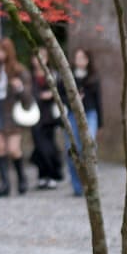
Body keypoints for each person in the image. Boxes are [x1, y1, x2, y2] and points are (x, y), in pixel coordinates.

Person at [65, 48, 101, 197]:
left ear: (88, 60)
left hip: (90, 114)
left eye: (82, 58)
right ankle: (77, 186)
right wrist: (73, 100)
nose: (79, 60)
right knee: (73, 149)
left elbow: (98, 101)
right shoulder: (68, 76)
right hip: (72, 114)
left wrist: (100, 123)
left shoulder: (93, 77)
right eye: (77, 57)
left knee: (89, 146)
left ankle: (92, 182)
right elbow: (62, 96)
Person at [30, 49, 67, 190]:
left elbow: (63, 94)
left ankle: (52, 175)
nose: (38, 59)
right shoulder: (30, 76)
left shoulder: (54, 75)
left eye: (42, 56)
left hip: (50, 117)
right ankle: (42, 176)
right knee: (39, 148)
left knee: (50, 148)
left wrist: (52, 94)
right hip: (34, 116)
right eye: (36, 56)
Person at [0, 68, 33, 197]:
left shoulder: (18, 71)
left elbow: (28, 99)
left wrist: (19, 87)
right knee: (0, 148)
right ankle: (5, 184)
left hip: (12, 116)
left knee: (13, 149)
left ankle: (22, 179)